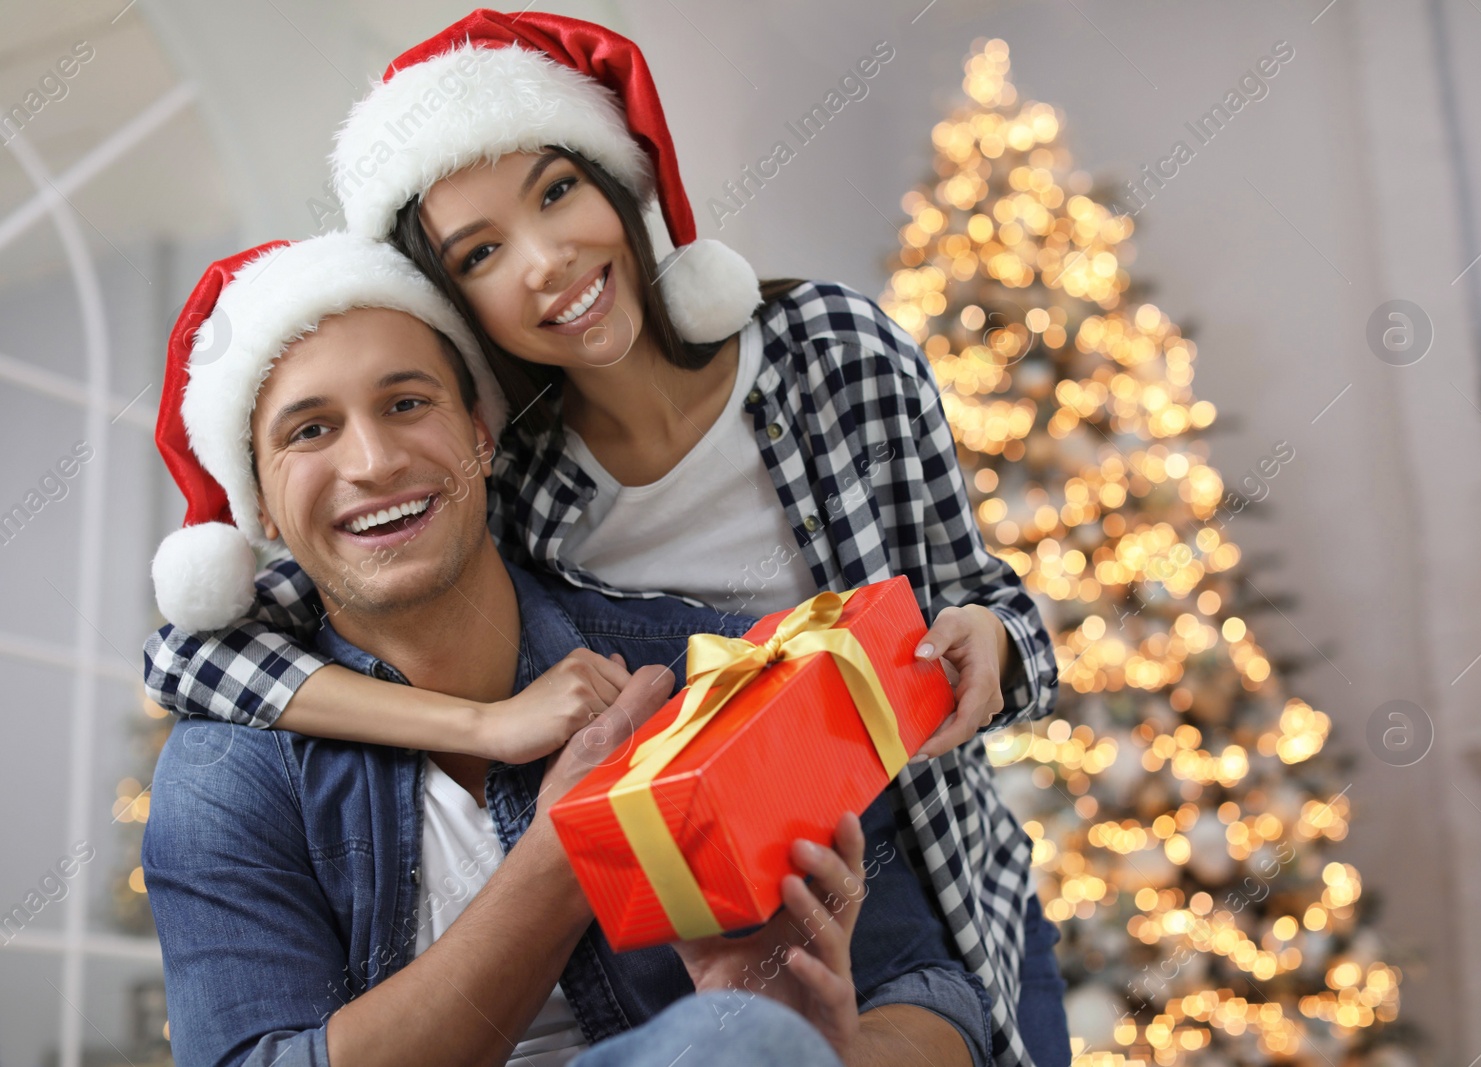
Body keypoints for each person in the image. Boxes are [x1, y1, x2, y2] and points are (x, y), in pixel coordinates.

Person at [142, 12, 1068, 1065]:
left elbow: (976, 602)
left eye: (557, 192)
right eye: (483, 252)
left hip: (940, 848)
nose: (546, 262)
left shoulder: (823, 367)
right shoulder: (530, 483)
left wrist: (988, 650)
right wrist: (498, 741)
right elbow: (191, 653)